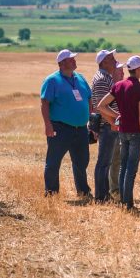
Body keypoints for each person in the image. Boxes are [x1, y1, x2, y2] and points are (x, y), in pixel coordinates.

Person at [98, 55, 140, 210]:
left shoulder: (119, 85)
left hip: (122, 131)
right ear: (137, 69)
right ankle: (128, 203)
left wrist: (116, 115)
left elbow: (101, 106)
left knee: (123, 166)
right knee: (131, 168)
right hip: (136, 133)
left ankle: (123, 200)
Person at [40, 49, 92, 197]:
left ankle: (83, 191)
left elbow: (89, 98)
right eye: (70, 59)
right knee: (53, 162)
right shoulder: (52, 80)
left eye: (74, 58)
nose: (74, 60)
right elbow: (44, 103)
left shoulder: (80, 78)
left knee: (82, 162)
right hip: (60, 128)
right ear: (61, 63)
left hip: (81, 128)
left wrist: (89, 119)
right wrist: (48, 125)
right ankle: (51, 192)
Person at [90, 49, 123, 203]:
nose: (115, 60)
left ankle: (103, 194)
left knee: (105, 162)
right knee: (104, 162)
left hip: (108, 125)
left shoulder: (104, 77)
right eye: (111, 58)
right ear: (103, 62)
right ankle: (101, 196)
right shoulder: (103, 79)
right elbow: (101, 106)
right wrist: (113, 121)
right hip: (107, 126)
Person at [109, 62, 125, 199]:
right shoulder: (112, 88)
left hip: (119, 126)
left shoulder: (120, 88)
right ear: (113, 73)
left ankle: (116, 187)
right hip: (112, 126)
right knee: (114, 159)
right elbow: (100, 107)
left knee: (118, 159)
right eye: (120, 72)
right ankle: (114, 189)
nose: (123, 75)